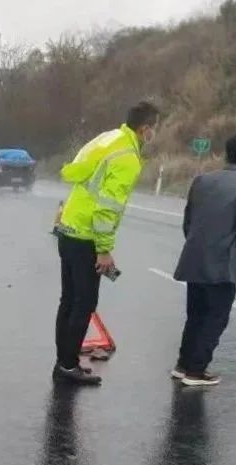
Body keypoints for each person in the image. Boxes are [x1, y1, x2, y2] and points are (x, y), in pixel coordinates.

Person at [53, 101, 160, 386]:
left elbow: (76, 173)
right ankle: (67, 365)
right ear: (144, 129)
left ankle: (64, 361)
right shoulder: (127, 157)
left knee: (69, 300)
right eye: (154, 129)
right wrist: (104, 249)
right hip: (87, 236)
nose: (154, 135)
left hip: (69, 227)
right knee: (84, 302)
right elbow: (107, 207)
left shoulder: (108, 138)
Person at [171, 134, 236, 387]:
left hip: (194, 257)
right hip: (222, 263)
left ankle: (183, 364)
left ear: (226, 152)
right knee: (216, 317)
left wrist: (195, 244)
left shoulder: (202, 180)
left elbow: (188, 220)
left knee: (195, 314)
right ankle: (196, 370)